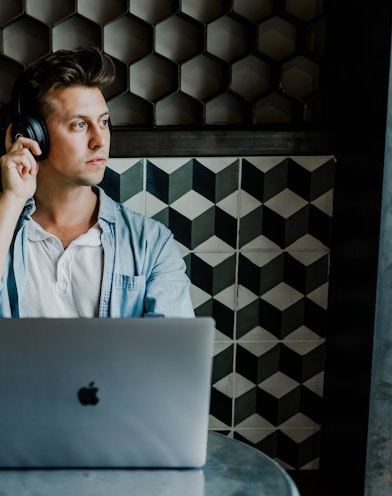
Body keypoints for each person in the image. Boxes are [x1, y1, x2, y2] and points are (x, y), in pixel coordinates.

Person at [0, 47, 195, 318]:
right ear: (33, 135)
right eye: (80, 125)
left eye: (103, 122)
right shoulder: (4, 228)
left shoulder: (151, 243)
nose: (100, 140)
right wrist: (13, 198)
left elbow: (175, 354)